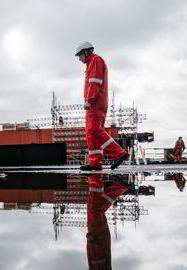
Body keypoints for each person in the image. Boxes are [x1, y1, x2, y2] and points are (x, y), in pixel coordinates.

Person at [75, 41, 129, 171]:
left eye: (80, 56)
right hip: (94, 102)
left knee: (95, 130)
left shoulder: (95, 60)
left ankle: (119, 153)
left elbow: (95, 82)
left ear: (86, 52)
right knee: (91, 133)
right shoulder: (91, 63)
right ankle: (95, 163)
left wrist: (90, 99)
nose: (79, 59)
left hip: (96, 102)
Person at [86, 174, 130, 269]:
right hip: (97, 239)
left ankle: (95, 179)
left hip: (98, 239)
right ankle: (119, 187)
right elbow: (98, 260)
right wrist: (93, 242)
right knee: (94, 210)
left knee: (94, 204)